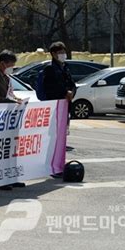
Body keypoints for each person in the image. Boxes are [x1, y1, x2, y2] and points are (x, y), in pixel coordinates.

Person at [0, 50, 26, 189]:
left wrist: (16, 100)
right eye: (10, 65)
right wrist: (11, 101)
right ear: (2, 63)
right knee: (0, 150)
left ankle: (11, 176)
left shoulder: (7, 78)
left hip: (9, 119)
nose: (12, 68)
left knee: (10, 149)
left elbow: (10, 94)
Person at [41, 41, 76, 177]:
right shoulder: (50, 69)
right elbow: (50, 88)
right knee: (53, 138)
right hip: (55, 106)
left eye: (63, 52)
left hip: (65, 106)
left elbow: (72, 84)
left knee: (62, 137)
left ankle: (59, 165)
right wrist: (64, 93)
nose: (63, 55)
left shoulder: (65, 67)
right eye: (60, 52)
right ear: (53, 54)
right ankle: (51, 166)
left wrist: (71, 92)